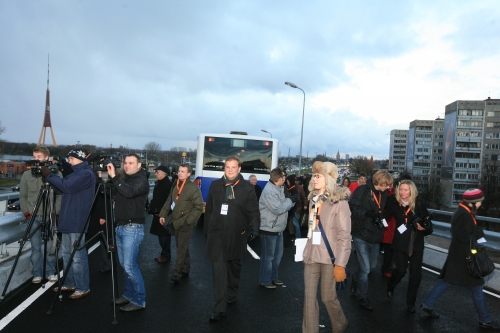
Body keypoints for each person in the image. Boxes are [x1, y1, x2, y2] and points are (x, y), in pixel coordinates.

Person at [420, 189, 500, 330]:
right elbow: (465, 236)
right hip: (466, 258)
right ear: (472, 203)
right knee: (477, 287)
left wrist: (475, 233)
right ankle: (485, 319)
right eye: (479, 201)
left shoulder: (463, 211)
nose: (481, 203)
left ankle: (428, 303)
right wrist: (479, 233)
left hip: (459, 257)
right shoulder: (463, 215)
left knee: (447, 282)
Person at [204, 156, 260, 322]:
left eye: (233, 167)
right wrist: (207, 231)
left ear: (239, 169)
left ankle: (232, 292)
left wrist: (254, 228)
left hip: (237, 235)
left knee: (234, 268)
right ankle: (219, 307)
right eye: (227, 167)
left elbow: (253, 212)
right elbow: (210, 210)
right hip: (217, 236)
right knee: (219, 271)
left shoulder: (247, 188)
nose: (230, 170)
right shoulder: (215, 186)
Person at [302, 161, 351, 333]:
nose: (314, 179)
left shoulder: (340, 202)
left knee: (328, 297)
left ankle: (340, 323)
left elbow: (345, 236)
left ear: (328, 178)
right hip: (312, 254)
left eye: (318, 176)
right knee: (309, 298)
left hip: (331, 257)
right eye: (314, 175)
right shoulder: (313, 198)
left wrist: (341, 264)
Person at [41, 148, 96, 300]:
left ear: (80, 158)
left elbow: (67, 186)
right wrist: (50, 180)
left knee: (77, 255)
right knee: (67, 254)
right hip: (68, 218)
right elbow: (63, 189)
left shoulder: (85, 173)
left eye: (71, 158)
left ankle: (83, 286)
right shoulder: (76, 174)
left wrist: (50, 175)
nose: (69, 161)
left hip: (77, 220)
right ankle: (70, 282)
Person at [106, 154, 150, 311]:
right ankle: (128, 294)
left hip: (133, 228)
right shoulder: (125, 180)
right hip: (121, 226)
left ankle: (139, 300)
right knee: (125, 266)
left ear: (139, 165)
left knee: (130, 266)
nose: (127, 165)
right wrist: (107, 179)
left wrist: (115, 177)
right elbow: (114, 193)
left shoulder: (142, 181)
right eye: (125, 163)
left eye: (131, 163)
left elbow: (129, 192)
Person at [385, 180, 433, 313]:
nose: (402, 192)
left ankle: (410, 303)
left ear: (411, 191)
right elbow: (384, 217)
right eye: (401, 189)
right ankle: (391, 285)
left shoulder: (419, 203)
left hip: (416, 243)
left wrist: (423, 228)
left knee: (416, 275)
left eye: (406, 190)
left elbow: (429, 226)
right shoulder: (394, 203)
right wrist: (379, 224)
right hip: (400, 242)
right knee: (401, 270)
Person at [349, 170, 393, 310]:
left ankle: (356, 278)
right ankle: (363, 296)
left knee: (372, 266)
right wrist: (368, 214)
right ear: (378, 182)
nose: (388, 188)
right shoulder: (362, 190)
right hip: (360, 233)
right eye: (386, 185)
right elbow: (352, 209)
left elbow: (383, 209)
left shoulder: (384, 193)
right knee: (366, 268)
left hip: (375, 235)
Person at [20, 146, 61, 284]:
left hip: (50, 215)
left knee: (51, 246)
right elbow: (23, 195)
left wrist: (56, 211)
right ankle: (37, 273)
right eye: (34, 156)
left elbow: (60, 194)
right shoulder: (27, 175)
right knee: (36, 247)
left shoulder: (55, 173)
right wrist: (26, 212)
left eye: (39, 157)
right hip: (33, 216)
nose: (36, 159)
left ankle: (50, 272)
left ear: (46, 158)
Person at [159, 164, 203, 284]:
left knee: (181, 247)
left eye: (183, 171)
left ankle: (177, 272)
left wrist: (189, 221)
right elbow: (169, 200)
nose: (180, 173)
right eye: (179, 171)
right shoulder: (176, 184)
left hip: (186, 223)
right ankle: (185, 268)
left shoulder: (193, 187)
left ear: (189, 174)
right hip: (176, 220)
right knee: (181, 246)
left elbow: (198, 207)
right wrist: (162, 214)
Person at [259, 169, 298, 289]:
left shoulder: (279, 188)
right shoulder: (270, 191)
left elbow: (284, 205)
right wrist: (290, 201)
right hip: (269, 229)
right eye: (284, 177)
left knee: (277, 257)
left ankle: (273, 278)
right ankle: (265, 280)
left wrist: (291, 202)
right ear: (280, 179)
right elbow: (278, 209)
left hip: (279, 228)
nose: (285, 179)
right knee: (268, 258)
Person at [148, 165, 173, 263]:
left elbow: (168, 201)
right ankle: (164, 254)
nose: (155, 174)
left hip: (163, 214)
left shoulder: (168, 185)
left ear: (164, 173)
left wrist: (162, 212)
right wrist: (152, 210)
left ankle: (166, 255)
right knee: (161, 235)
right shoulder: (159, 183)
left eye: (157, 172)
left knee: (164, 236)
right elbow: (155, 199)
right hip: (157, 213)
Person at [286, 174, 307, 239]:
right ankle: (292, 233)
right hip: (291, 207)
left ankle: (298, 235)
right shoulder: (288, 188)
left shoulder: (298, 188)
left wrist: (305, 205)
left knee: (295, 221)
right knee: (292, 221)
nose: (287, 182)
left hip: (296, 208)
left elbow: (304, 197)